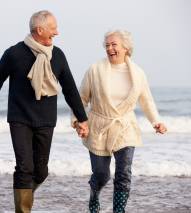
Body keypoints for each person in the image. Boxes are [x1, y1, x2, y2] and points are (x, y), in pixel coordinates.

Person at [0, 10, 89, 213]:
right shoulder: (14, 54)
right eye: (53, 28)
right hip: (19, 118)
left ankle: (24, 199)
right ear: (40, 30)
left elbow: (70, 89)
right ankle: (22, 210)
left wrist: (82, 119)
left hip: (46, 120)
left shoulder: (57, 55)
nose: (57, 32)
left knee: (40, 172)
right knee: (24, 168)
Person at [71, 29, 167, 213]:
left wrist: (156, 121)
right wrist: (78, 122)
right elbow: (81, 99)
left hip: (125, 126)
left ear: (125, 47)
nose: (110, 48)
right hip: (99, 126)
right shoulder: (95, 70)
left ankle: (119, 211)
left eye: (114, 44)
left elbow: (146, 100)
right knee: (101, 175)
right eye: (107, 45)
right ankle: (94, 192)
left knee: (123, 173)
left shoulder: (137, 73)